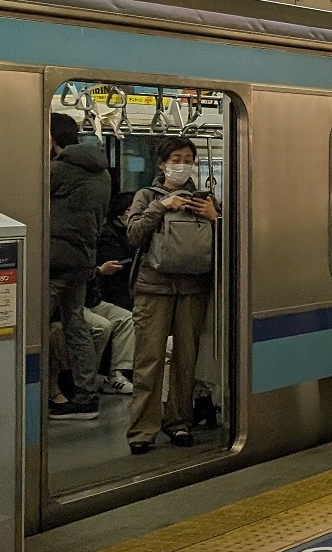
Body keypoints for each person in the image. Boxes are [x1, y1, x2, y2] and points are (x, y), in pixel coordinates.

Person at [124, 137, 220, 454]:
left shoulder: (205, 199)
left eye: (188, 158)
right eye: (176, 158)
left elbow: (226, 245)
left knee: (185, 361)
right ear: (162, 164)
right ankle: (142, 429)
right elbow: (133, 234)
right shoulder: (147, 195)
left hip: (193, 288)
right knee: (148, 360)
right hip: (153, 287)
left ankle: (179, 422)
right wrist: (160, 206)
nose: (182, 164)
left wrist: (215, 218)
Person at [47, 114, 110, 421]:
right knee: (76, 323)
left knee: (34, 325)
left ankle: (41, 389)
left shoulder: (58, 170)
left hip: (55, 260)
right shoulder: (102, 172)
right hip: (83, 257)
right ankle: (85, 393)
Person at [83, 189, 137, 396]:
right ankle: (90, 378)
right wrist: (99, 271)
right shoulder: (106, 234)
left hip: (93, 298)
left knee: (126, 318)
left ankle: (118, 372)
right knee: (102, 326)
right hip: (88, 298)